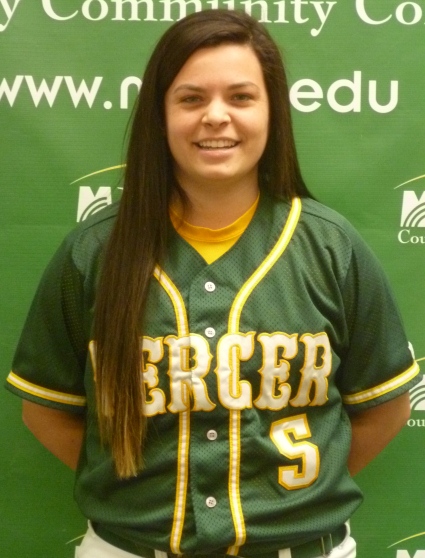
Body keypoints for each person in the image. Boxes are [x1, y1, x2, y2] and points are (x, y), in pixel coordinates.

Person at [5, 9, 421, 558]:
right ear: (160, 115)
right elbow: (46, 408)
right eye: (191, 99)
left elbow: (386, 406)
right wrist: (139, 495)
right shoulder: (94, 251)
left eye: (241, 97)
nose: (216, 117)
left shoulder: (331, 246)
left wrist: (295, 496)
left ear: (272, 112)